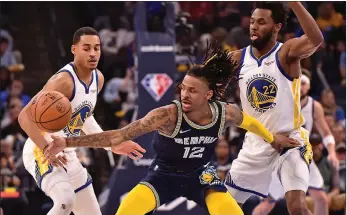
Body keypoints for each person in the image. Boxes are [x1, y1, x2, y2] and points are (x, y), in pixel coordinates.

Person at [43, 42, 300, 215]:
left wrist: (272, 138)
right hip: (164, 175)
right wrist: (66, 143)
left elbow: (250, 121)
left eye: (192, 90)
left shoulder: (225, 112)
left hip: (201, 175)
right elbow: (118, 135)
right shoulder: (167, 115)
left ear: (209, 94)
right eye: (183, 88)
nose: (184, 94)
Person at [18, 27, 145, 215]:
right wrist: (46, 147)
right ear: (74, 50)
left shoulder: (98, 79)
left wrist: (110, 145)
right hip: (41, 150)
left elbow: (84, 119)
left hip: (68, 152)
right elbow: (24, 116)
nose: (93, 53)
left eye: (97, 48)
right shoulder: (63, 81)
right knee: (65, 200)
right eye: (86, 48)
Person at [223, 2, 324, 215]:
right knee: (226, 207)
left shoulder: (286, 52)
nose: (254, 27)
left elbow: (316, 39)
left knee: (296, 206)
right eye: (252, 22)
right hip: (256, 142)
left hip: (290, 141)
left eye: (261, 22)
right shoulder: (237, 58)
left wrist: (294, 3)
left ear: (276, 27)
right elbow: (202, 79)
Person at [252, 72, 340, 215]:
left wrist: (332, 152)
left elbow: (326, 133)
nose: (300, 86)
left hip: (303, 155)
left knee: (321, 199)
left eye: (304, 83)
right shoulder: (277, 102)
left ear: (309, 86)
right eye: (298, 82)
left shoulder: (314, 106)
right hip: (280, 156)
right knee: (268, 204)